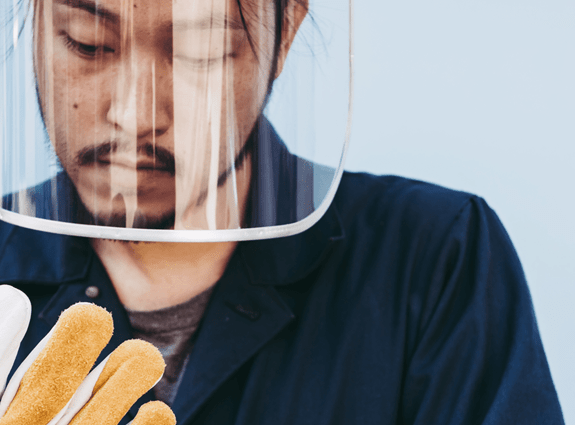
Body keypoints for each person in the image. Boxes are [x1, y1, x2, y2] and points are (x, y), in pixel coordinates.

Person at [0, 0, 565, 423]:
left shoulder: (433, 257)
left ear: (285, 33)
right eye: (87, 43)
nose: (132, 114)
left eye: (200, 52)